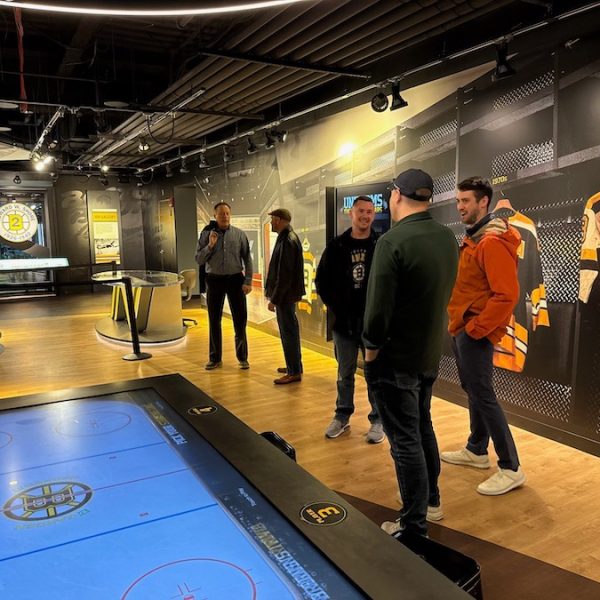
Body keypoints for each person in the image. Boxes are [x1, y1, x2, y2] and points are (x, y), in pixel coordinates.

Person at [362, 169, 459, 538]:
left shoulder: (392, 242)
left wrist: (370, 356)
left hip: (394, 360)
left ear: (396, 195)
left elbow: (377, 314)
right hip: (427, 355)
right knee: (421, 427)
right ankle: (431, 501)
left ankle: (413, 525)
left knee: (404, 442)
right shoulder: (447, 237)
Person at [442, 177, 526, 495]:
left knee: (484, 396)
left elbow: (507, 295)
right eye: (458, 201)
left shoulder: (491, 242)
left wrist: (476, 330)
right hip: (463, 328)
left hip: (474, 331)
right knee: (475, 391)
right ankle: (477, 449)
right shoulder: (475, 239)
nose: (460, 206)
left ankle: (511, 467)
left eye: (466, 201)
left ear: (483, 203)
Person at [315, 195, 384, 443]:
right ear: (350, 214)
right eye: (360, 211)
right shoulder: (337, 246)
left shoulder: (381, 244)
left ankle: (378, 420)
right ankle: (342, 416)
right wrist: (337, 307)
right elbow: (321, 281)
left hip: (372, 324)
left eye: (369, 212)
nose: (365, 216)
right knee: (345, 373)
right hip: (344, 324)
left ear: (373, 215)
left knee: (374, 374)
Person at [195, 202, 252, 370]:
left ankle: (242, 357)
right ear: (215, 216)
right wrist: (210, 245)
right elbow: (199, 259)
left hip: (236, 280)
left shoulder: (240, 235)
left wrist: (248, 281)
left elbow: (247, 258)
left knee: (240, 320)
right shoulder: (206, 235)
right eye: (221, 214)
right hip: (214, 280)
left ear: (230, 214)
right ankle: (215, 358)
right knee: (214, 320)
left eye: (227, 213)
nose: (225, 216)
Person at [265, 208, 305, 384]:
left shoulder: (287, 240)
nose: (271, 222)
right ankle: (294, 366)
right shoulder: (288, 237)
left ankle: (294, 371)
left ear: (280, 220)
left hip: (285, 297)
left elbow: (284, 274)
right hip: (287, 296)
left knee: (288, 332)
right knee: (291, 331)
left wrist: (274, 298)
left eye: (273, 219)